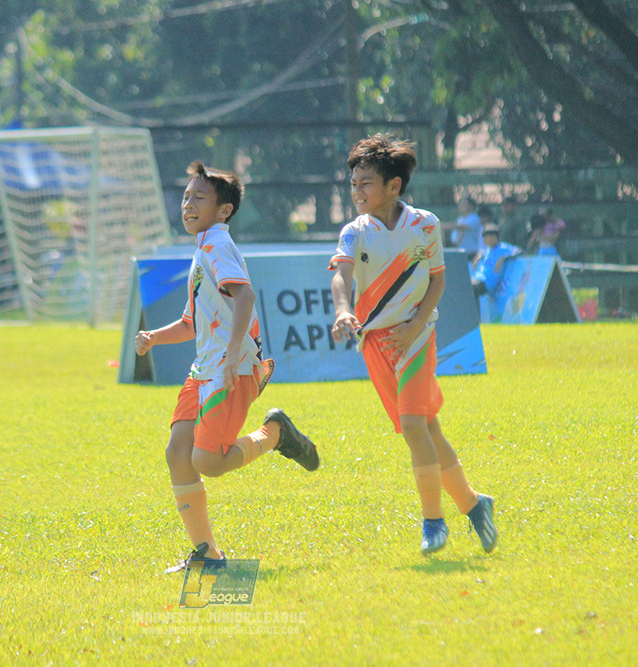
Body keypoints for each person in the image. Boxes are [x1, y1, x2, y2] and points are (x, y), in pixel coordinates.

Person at [135, 160, 320, 573]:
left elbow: (246, 297)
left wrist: (233, 353)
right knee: (178, 452)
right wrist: (153, 338)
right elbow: (190, 323)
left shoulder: (217, 245)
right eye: (186, 196)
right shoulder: (204, 248)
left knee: (208, 462)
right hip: (204, 369)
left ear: (224, 211)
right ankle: (208, 555)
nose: (187, 203)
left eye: (199, 197)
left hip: (230, 371)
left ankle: (274, 434)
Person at [329, 134, 497, 556]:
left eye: (365, 183)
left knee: (413, 427)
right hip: (375, 344)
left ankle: (433, 522)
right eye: (353, 183)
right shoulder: (354, 232)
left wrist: (417, 323)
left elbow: (438, 279)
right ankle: (475, 506)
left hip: (417, 335)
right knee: (428, 429)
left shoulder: (425, 224)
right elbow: (341, 275)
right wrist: (342, 310)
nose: (356, 191)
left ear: (394, 186)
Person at [472, 224, 521, 301]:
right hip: (479, 278)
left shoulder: (503, 248)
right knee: (465, 284)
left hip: (487, 282)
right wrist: (478, 258)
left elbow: (519, 251)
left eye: (486, 237)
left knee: (471, 288)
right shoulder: (488, 250)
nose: (484, 240)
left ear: (494, 237)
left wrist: (503, 258)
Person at [445, 195, 482, 262]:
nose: (460, 206)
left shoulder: (474, 218)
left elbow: (463, 227)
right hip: (460, 254)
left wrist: (444, 226)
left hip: (471, 254)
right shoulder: (459, 219)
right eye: (460, 204)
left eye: (463, 204)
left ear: (470, 207)